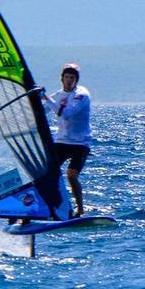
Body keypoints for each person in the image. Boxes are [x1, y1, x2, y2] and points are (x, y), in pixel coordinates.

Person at [46, 62, 92, 217]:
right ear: (62, 78)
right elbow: (40, 112)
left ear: (76, 79)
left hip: (80, 143)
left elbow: (66, 113)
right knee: (47, 174)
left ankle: (79, 209)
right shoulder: (57, 96)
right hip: (61, 142)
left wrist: (45, 98)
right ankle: (50, 207)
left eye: (72, 77)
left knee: (71, 176)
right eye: (67, 77)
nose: (69, 80)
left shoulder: (82, 94)